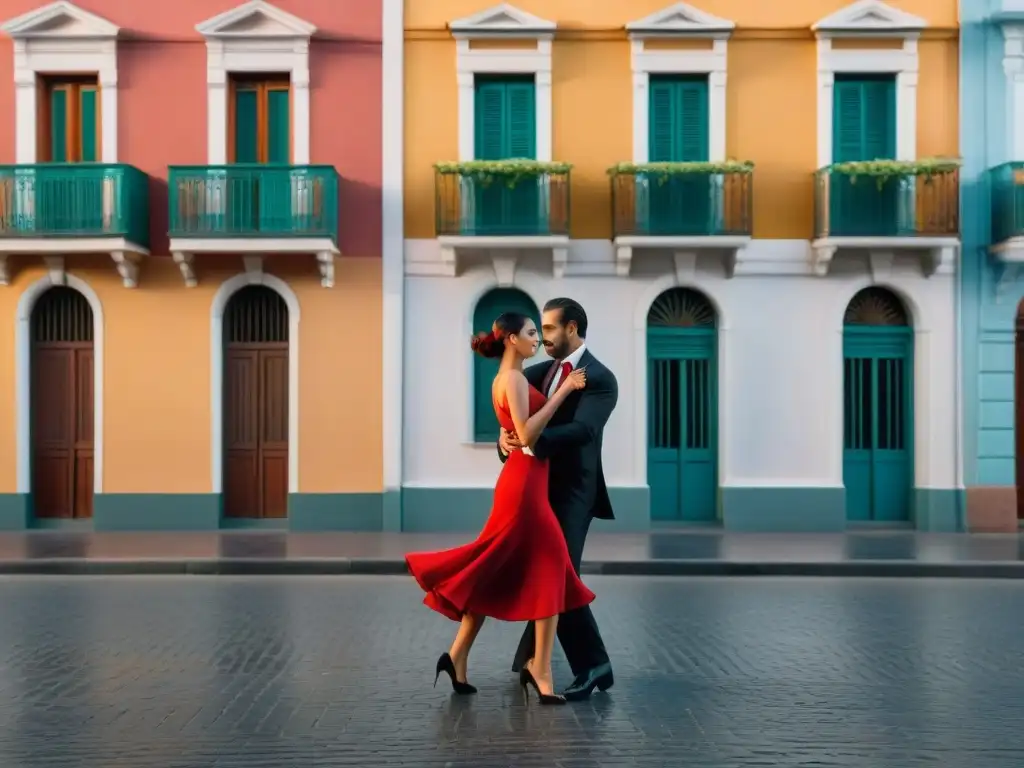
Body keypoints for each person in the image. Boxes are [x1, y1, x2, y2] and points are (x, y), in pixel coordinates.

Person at [405, 311, 597, 706]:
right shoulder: (512, 379)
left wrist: (505, 429)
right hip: (525, 486)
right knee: (550, 567)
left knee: (495, 569)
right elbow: (527, 433)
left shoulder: (506, 380)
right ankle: (539, 669)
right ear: (511, 339)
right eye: (530, 333)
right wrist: (563, 392)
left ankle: (457, 656)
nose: (536, 340)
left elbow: (514, 426)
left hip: (522, 482)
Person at [498, 297, 616, 701]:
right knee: (543, 570)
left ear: (572, 328)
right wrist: (505, 438)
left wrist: (532, 440)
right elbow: (512, 415)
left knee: (558, 573)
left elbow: (584, 430)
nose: (542, 337)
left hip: (573, 493)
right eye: (539, 330)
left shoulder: (600, 377)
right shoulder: (536, 372)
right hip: (534, 489)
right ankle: (531, 658)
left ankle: (592, 664)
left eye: (548, 329)